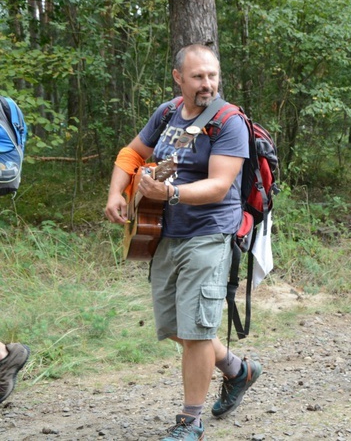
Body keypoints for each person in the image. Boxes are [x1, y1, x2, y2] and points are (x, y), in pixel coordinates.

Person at [105, 44, 261, 441]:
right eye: (197, 77)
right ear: (179, 78)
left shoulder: (228, 122)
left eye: (212, 75)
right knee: (174, 325)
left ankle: (190, 422)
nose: (207, 84)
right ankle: (238, 370)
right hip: (164, 232)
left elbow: (219, 184)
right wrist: (116, 193)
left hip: (209, 233)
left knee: (195, 332)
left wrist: (170, 194)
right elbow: (131, 152)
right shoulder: (168, 113)